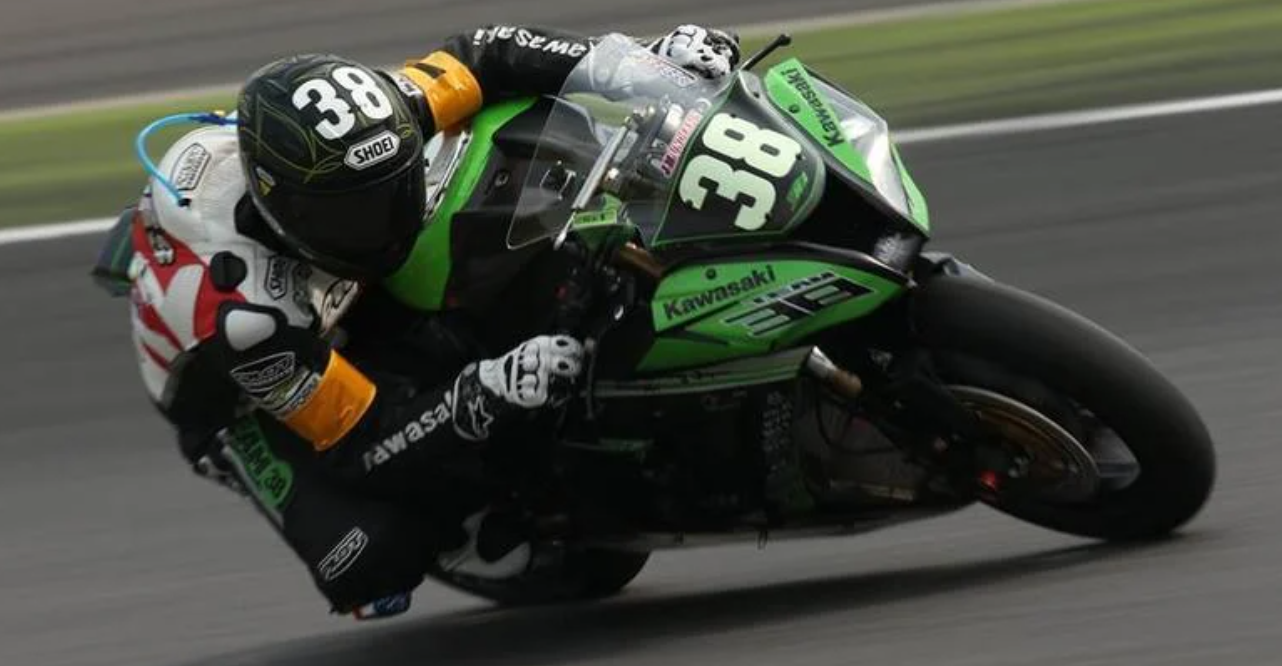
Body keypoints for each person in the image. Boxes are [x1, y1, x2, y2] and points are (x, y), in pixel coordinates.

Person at [120, 24, 741, 620]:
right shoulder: (247, 321)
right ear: (284, 209)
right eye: (354, 214)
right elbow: (359, 440)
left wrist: (644, 64)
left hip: (329, 291)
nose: (386, 220)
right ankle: (457, 526)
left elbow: (486, 54)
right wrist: (483, 391)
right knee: (369, 558)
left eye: (391, 190)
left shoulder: (375, 127)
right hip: (240, 396)